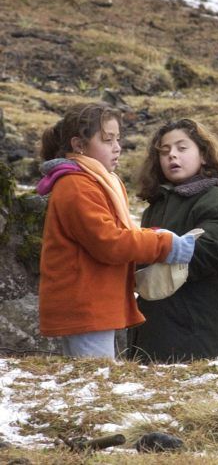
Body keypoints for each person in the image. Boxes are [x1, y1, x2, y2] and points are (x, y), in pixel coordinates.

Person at [36, 102, 196, 359]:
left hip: (94, 304)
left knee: (88, 385)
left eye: (118, 139)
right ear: (79, 145)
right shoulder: (76, 186)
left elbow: (118, 231)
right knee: (95, 386)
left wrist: (153, 235)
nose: (117, 147)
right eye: (107, 139)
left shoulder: (98, 181)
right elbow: (109, 242)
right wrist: (163, 245)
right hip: (86, 307)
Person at [127, 118, 218, 363]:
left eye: (182, 148)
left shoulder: (214, 198)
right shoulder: (156, 207)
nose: (172, 156)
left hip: (201, 334)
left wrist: (163, 249)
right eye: (164, 152)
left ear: (204, 156)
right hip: (162, 330)